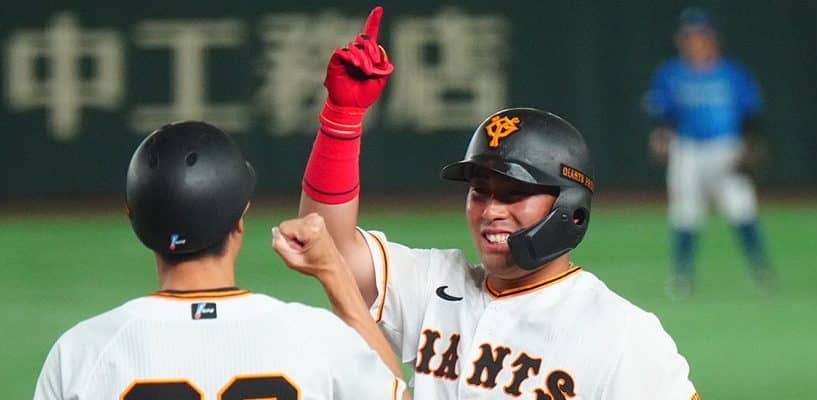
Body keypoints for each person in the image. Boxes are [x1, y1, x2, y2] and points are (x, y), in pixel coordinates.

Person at [292, 6, 699, 399]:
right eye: (480, 191)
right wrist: (342, 118)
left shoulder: (621, 335)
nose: (491, 211)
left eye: (514, 194)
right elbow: (324, 242)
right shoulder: (434, 286)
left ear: (569, 210)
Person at [33, 121, 405, 400]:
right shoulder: (314, 336)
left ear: (137, 220)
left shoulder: (82, 351)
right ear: (239, 220)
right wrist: (333, 271)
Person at [643, 7, 774, 299]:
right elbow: (661, 116)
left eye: (700, 35)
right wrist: (660, 138)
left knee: (741, 209)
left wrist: (752, 143)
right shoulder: (671, 74)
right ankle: (682, 276)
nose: (695, 41)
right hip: (687, 150)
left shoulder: (732, 73)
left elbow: (751, 113)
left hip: (727, 148)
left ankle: (761, 270)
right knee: (685, 213)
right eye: (689, 36)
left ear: (713, 38)